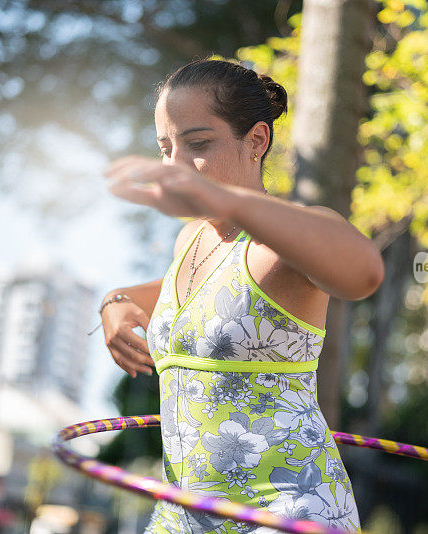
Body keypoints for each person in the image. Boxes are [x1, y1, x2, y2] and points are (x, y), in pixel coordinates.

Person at [100, 58, 384, 533]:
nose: (175, 167)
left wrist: (227, 200)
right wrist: (115, 301)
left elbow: (365, 272)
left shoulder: (286, 242)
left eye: (198, 144)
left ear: (256, 140)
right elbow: (178, 300)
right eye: (166, 148)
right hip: (181, 515)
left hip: (286, 513)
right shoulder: (190, 239)